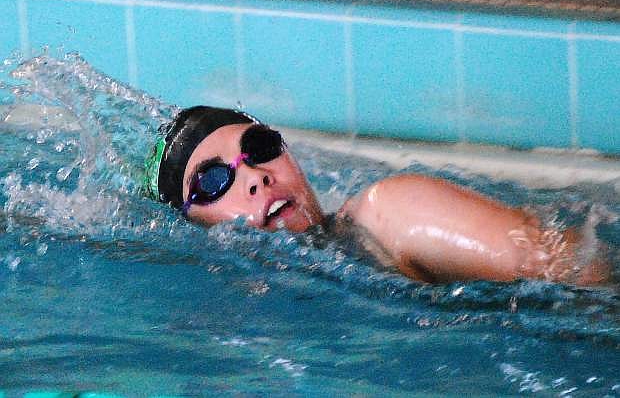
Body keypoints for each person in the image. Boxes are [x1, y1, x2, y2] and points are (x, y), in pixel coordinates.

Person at [143, 106, 610, 286]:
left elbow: (579, 273)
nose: (256, 178)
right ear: (187, 225)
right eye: (212, 182)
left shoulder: (392, 213)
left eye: (260, 148)